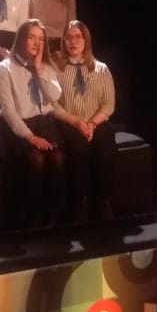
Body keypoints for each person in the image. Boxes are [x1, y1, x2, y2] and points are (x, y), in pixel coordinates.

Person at [0, 19, 65, 228]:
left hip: (43, 122)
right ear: (21, 40)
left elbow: (55, 96)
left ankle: (52, 215)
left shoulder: (47, 67)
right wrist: (30, 137)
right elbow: (9, 111)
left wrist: (38, 69)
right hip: (17, 126)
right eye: (31, 38)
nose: (36, 43)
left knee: (58, 158)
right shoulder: (5, 68)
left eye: (41, 39)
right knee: (37, 159)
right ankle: (31, 217)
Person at [53, 21, 116, 221]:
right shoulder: (55, 68)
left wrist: (92, 124)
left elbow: (109, 104)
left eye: (78, 37)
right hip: (68, 121)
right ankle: (79, 204)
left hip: (94, 121)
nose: (73, 41)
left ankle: (103, 201)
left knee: (105, 142)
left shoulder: (101, 69)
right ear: (64, 41)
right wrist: (76, 122)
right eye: (69, 37)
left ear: (86, 40)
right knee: (78, 146)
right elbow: (53, 105)